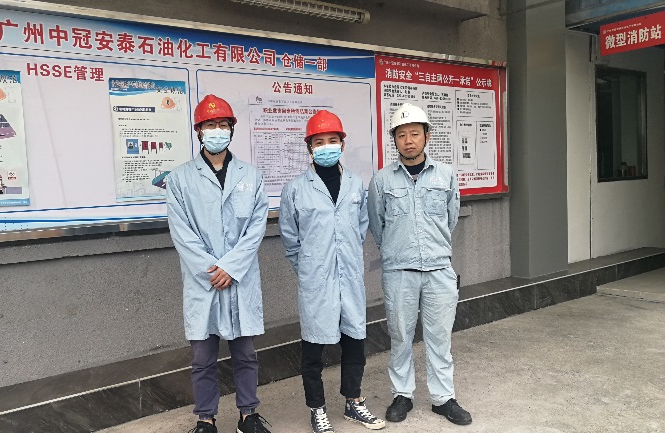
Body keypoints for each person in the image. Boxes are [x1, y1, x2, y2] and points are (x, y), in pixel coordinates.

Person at [166, 94, 272, 433]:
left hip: (238, 279)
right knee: (202, 358)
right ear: (199, 131)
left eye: (223, 124)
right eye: (210, 125)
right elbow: (182, 232)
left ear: (231, 130)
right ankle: (205, 419)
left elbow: (256, 227)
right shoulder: (180, 178)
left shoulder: (251, 176)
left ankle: (248, 415)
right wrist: (213, 270)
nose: (217, 130)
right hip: (205, 281)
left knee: (245, 354)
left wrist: (232, 268)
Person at [279, 110, 385, 433]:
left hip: (349, 277)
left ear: (342, 144)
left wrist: (345, 259)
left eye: (332, 140)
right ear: (309, 147)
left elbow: (360, 227)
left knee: (355, 342)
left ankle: (353, 401)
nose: (327, 146)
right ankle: (317, 408)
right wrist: (309, 269)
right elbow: (290, 240)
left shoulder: (355, 184)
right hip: (316, 281)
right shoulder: (295, 188)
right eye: (319, 142)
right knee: (313, 349)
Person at [367, 103, 471, 426]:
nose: (408, 140)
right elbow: (378, 225)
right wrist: (399, 251)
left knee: (440, 338)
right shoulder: (381, 180)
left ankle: (443, 398)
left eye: (415, 133)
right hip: (399, 272)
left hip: (439, 270)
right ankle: (402, 395)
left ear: (427, 136)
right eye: (401, 135)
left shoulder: (445, 175)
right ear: (394, 140)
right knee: (400, 336)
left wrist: (432, 248)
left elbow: (450, 218)